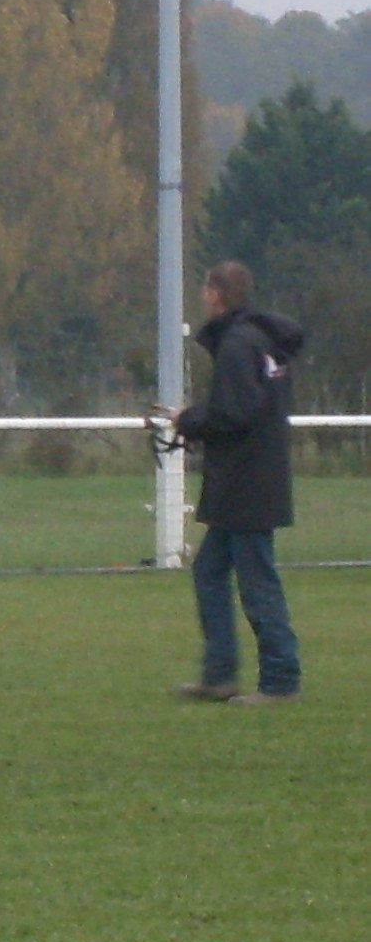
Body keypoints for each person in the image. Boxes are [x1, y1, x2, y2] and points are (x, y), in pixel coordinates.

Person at [163, 261, 305, 705]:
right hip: (249, 480)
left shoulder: (237, 345)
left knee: (257, 581)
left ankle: (281, 681)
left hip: (245, 484)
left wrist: (187, 420)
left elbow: (233, 413)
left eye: (206, 290)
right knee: (209, 571)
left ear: (215, 295)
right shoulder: (262, 342)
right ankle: (219, 675)